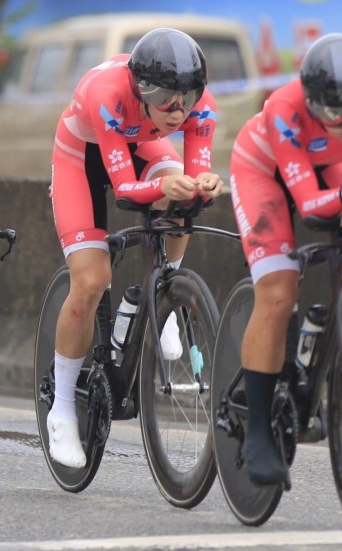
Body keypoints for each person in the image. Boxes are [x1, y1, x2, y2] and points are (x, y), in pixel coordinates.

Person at [228, 32, 342, 486]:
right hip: (265, 171)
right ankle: (257, 431)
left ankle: (338, 323)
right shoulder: (285, 110)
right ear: (312, 105)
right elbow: (311, 207)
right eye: (335, 113)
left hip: (332, 166)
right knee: (279, 292)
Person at [46, 27, 224, 468]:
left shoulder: (199, 105)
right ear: (140, 89)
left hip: (141, 145)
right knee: (92, 279)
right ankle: (62, 408)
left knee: (185, 199)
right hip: (81, 157)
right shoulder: (108, 94)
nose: (176, 110)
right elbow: (125, 188)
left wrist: (203, 183)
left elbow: (195, 175)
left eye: (186, 98)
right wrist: (163, 186)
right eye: (163, 98)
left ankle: (163, 298)